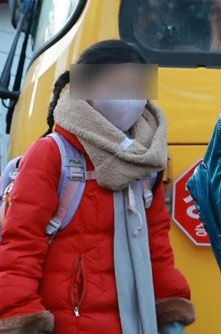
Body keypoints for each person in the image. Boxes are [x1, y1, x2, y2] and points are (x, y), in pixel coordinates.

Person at [0, 41, 194, 334]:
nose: (128, 98)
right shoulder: (53, 153)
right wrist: (20, 314)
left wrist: (170, 309)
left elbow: (157, 246)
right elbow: (20, 244)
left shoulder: (148, 160)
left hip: (133, 324)